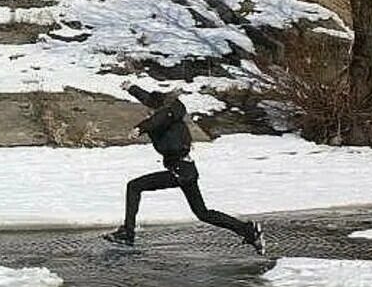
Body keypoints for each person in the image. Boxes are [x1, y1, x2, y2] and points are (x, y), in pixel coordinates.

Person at [104, 81, 265, 255]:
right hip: (185, 170)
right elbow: (149, 100)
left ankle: (128, 233)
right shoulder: (168, 111)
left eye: (150, 109)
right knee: (203, 213)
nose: (148, 111)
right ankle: (248, 230)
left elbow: (156, 120)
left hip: (180, 171)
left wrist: (140, 128)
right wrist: (131, 88)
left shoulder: (168, 114)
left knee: (134, 186)